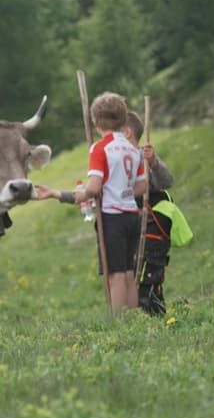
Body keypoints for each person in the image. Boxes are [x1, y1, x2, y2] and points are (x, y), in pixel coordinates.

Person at [36, 92, 146, 314]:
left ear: (95, 122)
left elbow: (93, 188)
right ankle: (135, 319)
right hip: (132, 215)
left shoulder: (99, 148)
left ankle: (119, 323)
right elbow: (142, 187)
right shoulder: (134, 150)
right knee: (129, 273)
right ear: (124, 120)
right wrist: (122, 190)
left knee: (114, 274)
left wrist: (62, 194)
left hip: (112, 217)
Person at [125, 111, 186, 316]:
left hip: (151, 227)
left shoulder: (145, 156)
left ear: (127, 133)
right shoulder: (115, 157)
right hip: (128, 226)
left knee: (148, 280)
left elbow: (166, 181)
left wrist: (153, 163)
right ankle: (137, 320)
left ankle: (156, 317)